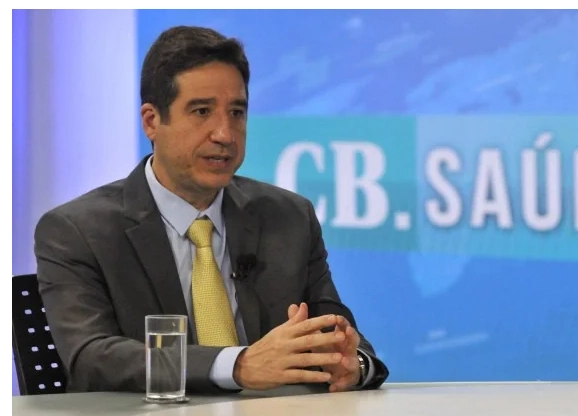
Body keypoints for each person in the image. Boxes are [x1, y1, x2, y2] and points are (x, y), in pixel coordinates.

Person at [34, 26, 389, 394]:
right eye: (202, 111)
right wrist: (238, 365)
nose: (225, 134)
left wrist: (354, 365)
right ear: (152, 121)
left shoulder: (289, 217)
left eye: (237, 112)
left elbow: (336, 332)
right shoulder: (77, 231)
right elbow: (91, 357)